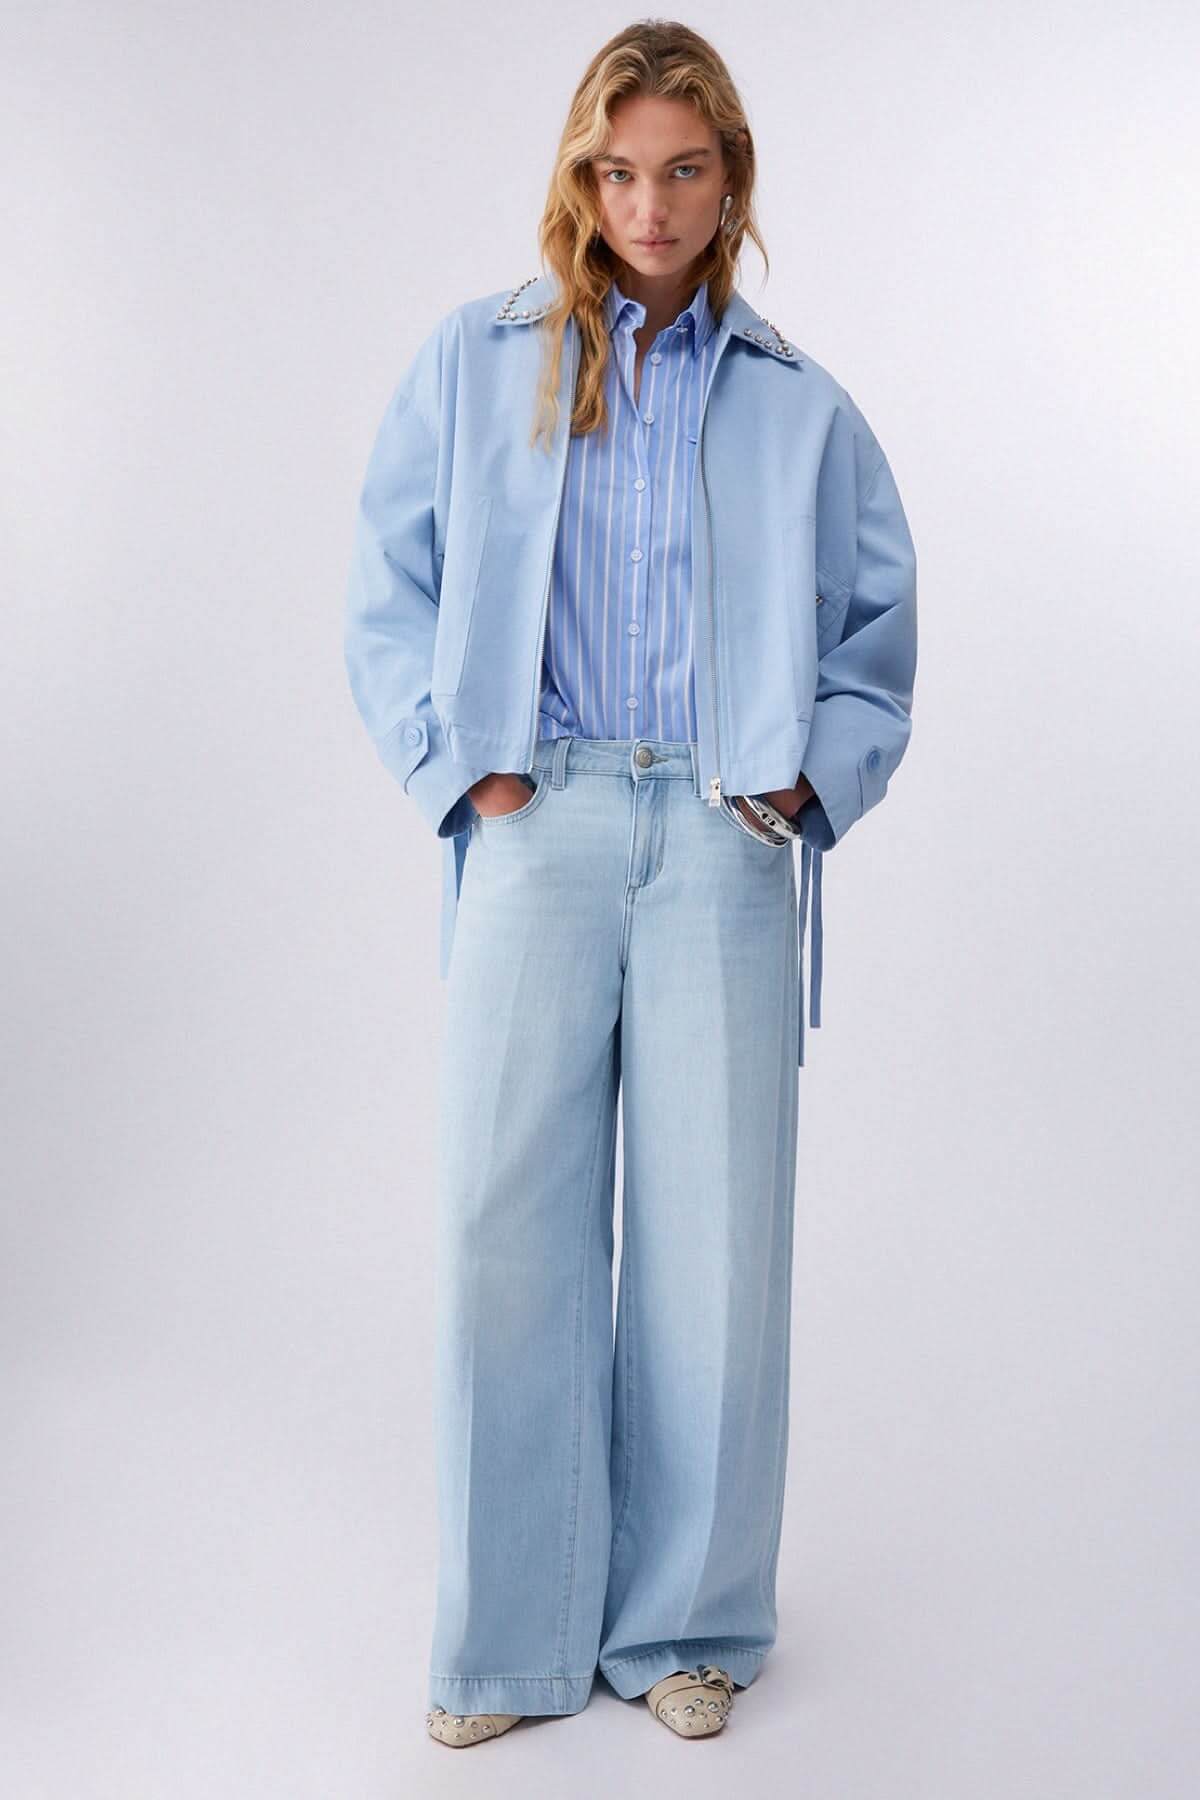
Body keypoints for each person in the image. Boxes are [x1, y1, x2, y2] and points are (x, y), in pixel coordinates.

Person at [343, 19, 917, 1748]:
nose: (649, 205)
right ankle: (510, 1642)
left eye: (683, 169)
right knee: (500, 1231)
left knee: (714, 1247)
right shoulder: (478, 363)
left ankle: (688, 1624)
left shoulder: (800, 404)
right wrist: (463, 773)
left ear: (730, 180)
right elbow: (386, 592)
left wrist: (801, 777)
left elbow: (878, 631)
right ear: (578, 177)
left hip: (723, 837)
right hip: (540, 821)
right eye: (617, 169)